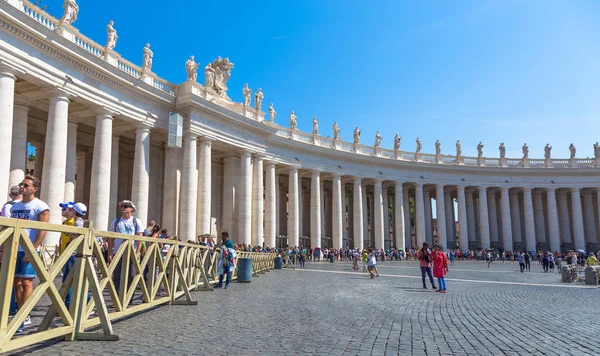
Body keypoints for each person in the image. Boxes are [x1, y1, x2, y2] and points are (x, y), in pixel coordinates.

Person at [10, 175, 50, 332]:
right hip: (14, 248)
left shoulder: (41, 206)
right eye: (21, 184)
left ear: (35, 188)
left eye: (26, 185)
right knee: (16, 282)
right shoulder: (14, 206)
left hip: (29, 249)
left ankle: (23, 314)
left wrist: (33, 249)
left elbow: (43, 229)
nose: (22, 187)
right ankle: (21, 312)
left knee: (26, 282)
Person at [107, 200, 144, 294]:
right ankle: (118, 298)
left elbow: (140, 238)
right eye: (122, 206)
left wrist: (137, 252)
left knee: (131, 275)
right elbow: (111, 238)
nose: (123, 208)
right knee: (117, 275)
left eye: (126, 206)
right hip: (117, 251)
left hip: (131, 252)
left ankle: (128, 297)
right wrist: (110, 253)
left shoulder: (137, 221)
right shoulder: (115, 222)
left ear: (131, 209)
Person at [59, 201, 87, 308]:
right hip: (73, 253)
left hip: (74, 253)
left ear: (74, 211)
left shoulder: (78, 223)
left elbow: (76, 237)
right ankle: (73, 303)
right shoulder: (79, 222)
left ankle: (69, 304)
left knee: (68, 280)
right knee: (71, 279)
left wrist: (68, 232)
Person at [0, 185, 22, 316]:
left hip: (9, 245)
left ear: (10, 195)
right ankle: (17, 308)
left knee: (8, 275)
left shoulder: (8, 207)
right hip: (25, 247)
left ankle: (8, 306)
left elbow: (6, 227)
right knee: (20, 279)